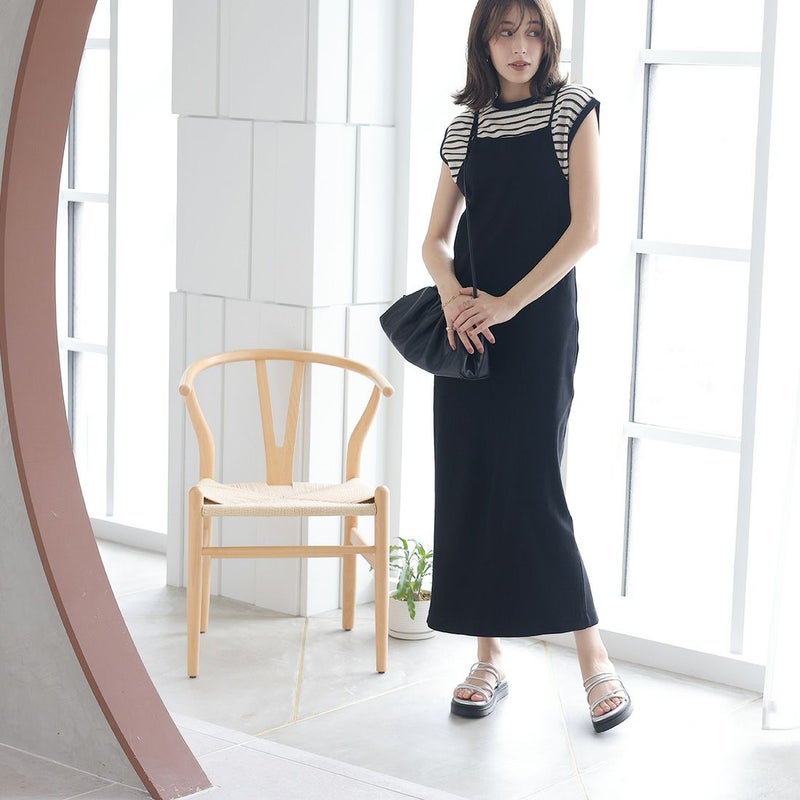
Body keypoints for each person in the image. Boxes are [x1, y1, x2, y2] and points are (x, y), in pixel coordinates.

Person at [421, 0, 633, 733]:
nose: (521, 46)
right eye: (506, 32)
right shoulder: (466, 128)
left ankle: (593, 658)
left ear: (550, 39)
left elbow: (586, 229)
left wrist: (509, 303)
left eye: (534, 31)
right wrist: (454, 298)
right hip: (470, 331)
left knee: (534, 483)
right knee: (472, 482)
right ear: (483, 41)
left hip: (537, 328)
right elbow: (434, 241)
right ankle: (488, 659)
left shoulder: (571, 110)